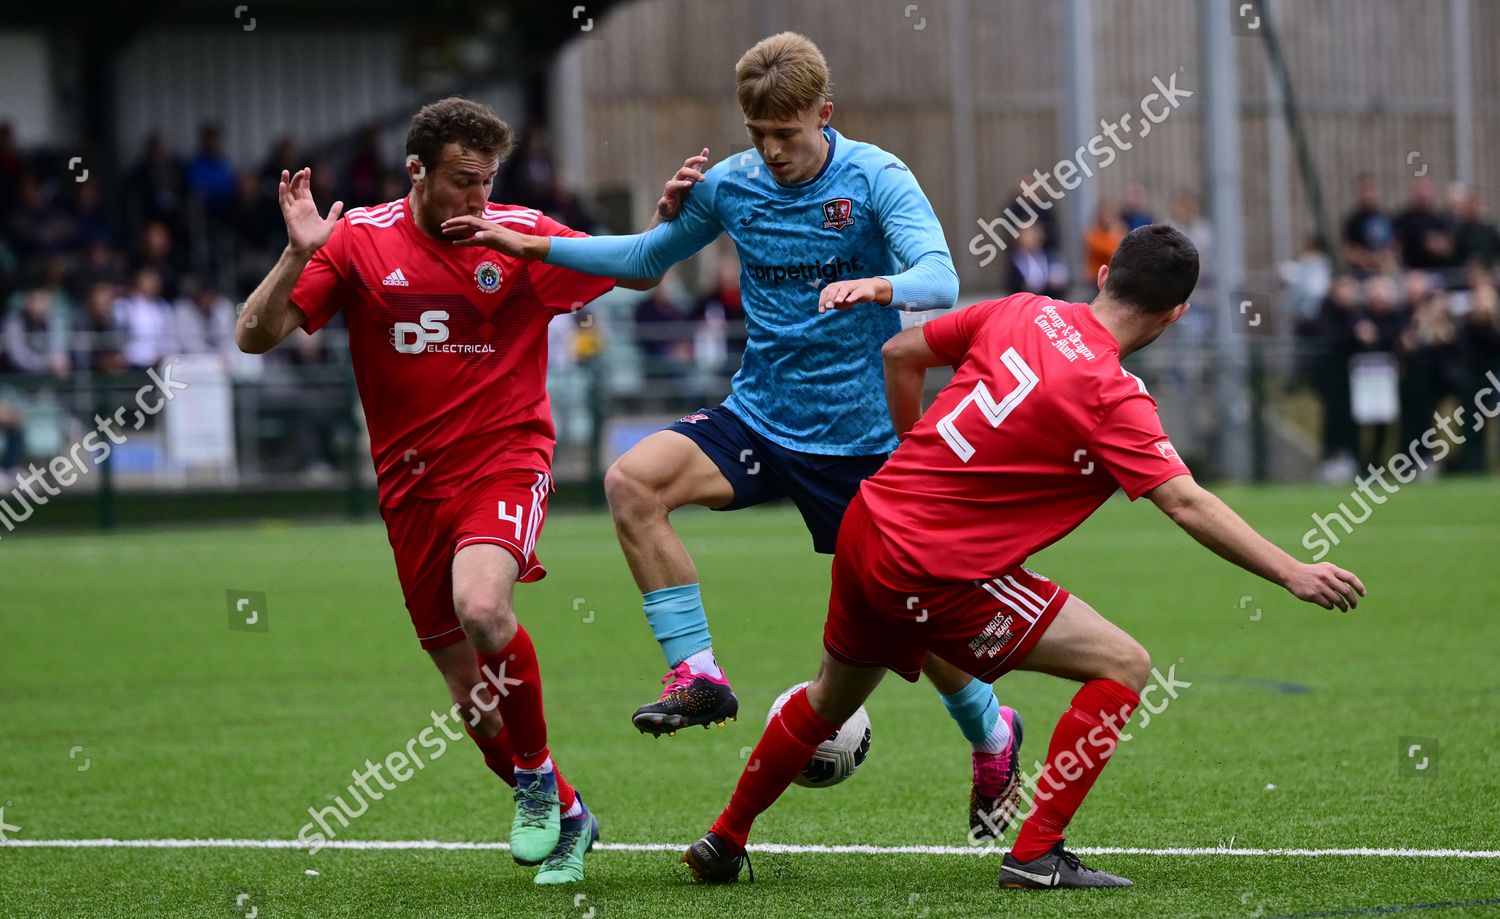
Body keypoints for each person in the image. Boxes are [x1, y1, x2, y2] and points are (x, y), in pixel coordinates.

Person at [447, 32, 1024, 842]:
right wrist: (532, 243)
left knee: (911, 621)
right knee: (632, 481)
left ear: (825, 113)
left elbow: (942, 276)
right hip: (758, 416)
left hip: (860, 444)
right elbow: (647, 258)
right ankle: (699, 674)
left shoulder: (874, 177)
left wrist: (878, 282)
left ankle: (993, 732)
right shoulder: (731, 186)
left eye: (787, 134)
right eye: (758, 135)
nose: (773, 152)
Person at [681, 225, 1365, 890]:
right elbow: (1187, 504)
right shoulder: (1113, 394)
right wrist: (1292, 570)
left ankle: (726, 835)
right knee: (1124, 664)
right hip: (932, 567)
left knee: (830, 695)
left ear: (1103, 275)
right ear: (1176, 313)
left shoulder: (1021, 309)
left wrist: (917, 452)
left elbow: (900, 356)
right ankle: (1036, 852)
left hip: (869, 521)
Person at [234, 97, 645, 885]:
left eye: (487, 182)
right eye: (463, 182)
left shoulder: (520, 237)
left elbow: (635, 266)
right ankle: (567, 810)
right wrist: (297, 254)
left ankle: (532, 779)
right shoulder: (356, 242)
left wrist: (666, 223)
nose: (478, 202)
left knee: (484, 607)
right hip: (411, 490)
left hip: (504, 460)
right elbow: (255, 334)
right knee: (472, 699)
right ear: (416, 171)